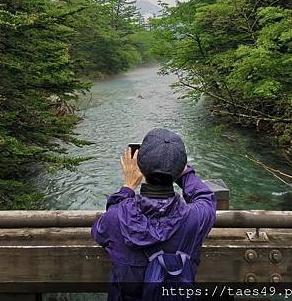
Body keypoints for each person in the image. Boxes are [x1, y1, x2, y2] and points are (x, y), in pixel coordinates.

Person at [91, 128, 216, 301]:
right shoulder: (196, 218)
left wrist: (127, 187)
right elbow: (205, 197)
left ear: (139, 167)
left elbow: (99, 232)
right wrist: (181, 170)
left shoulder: (115, 218)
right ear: (179, 169)